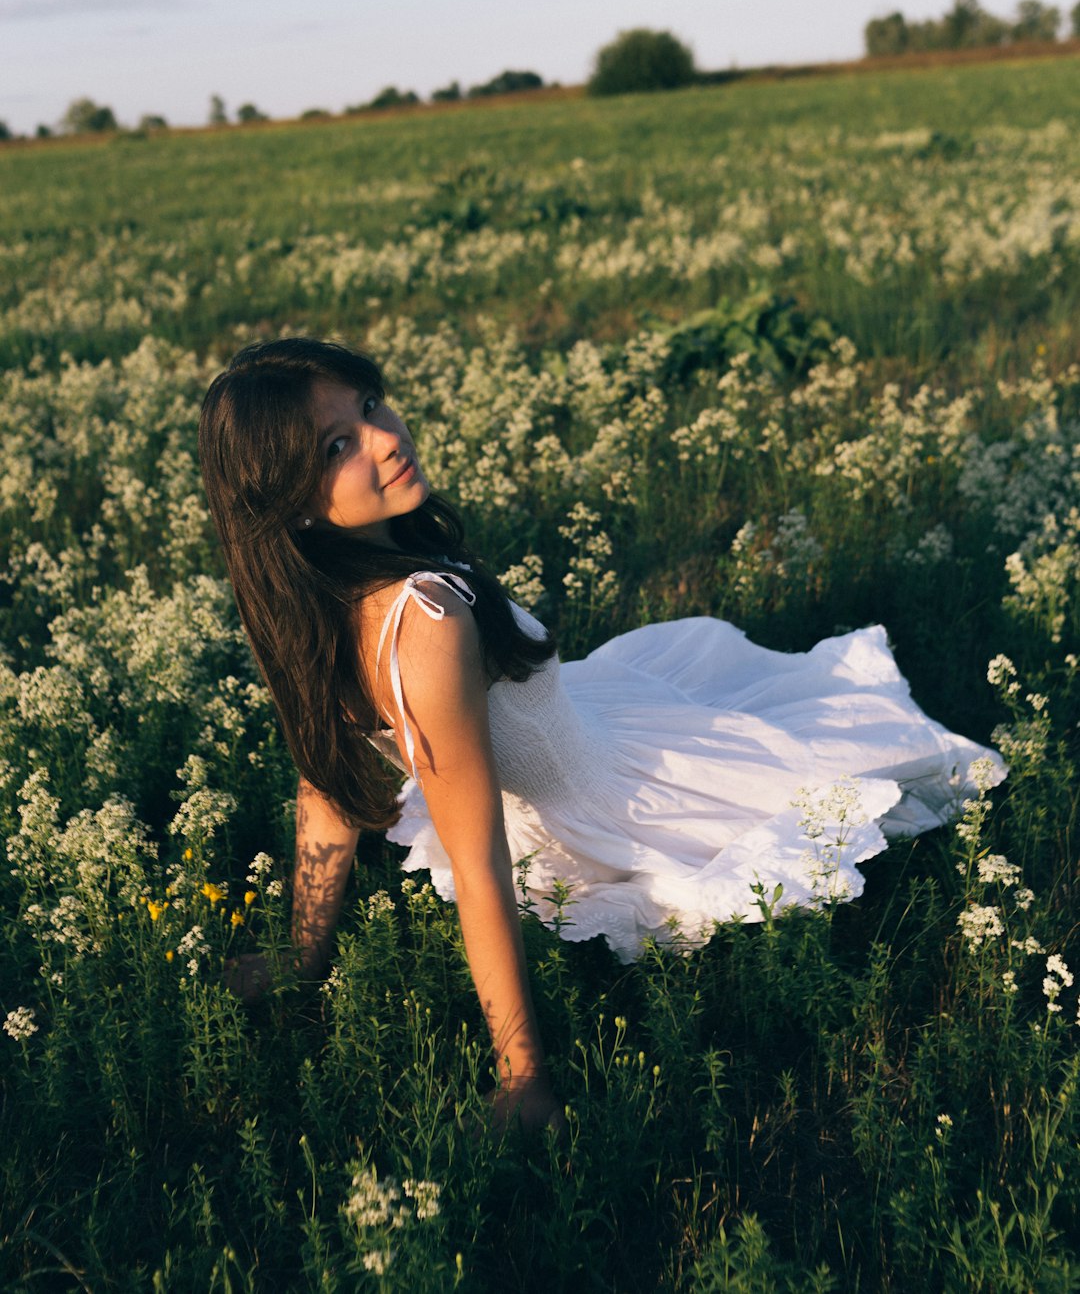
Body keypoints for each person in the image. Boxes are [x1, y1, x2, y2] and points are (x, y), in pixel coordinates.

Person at [198, 336, 1004, 1134]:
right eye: (339, 444)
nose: (385, 437)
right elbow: (472, 861)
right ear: (291, 499)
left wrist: (307, 954)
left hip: (583, 728)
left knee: (812, 729)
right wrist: (524, 1079)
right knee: (831, 769)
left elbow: (324, 785)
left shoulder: (318, 602)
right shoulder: (424, 624)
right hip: (608, 796)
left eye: (371, 406)